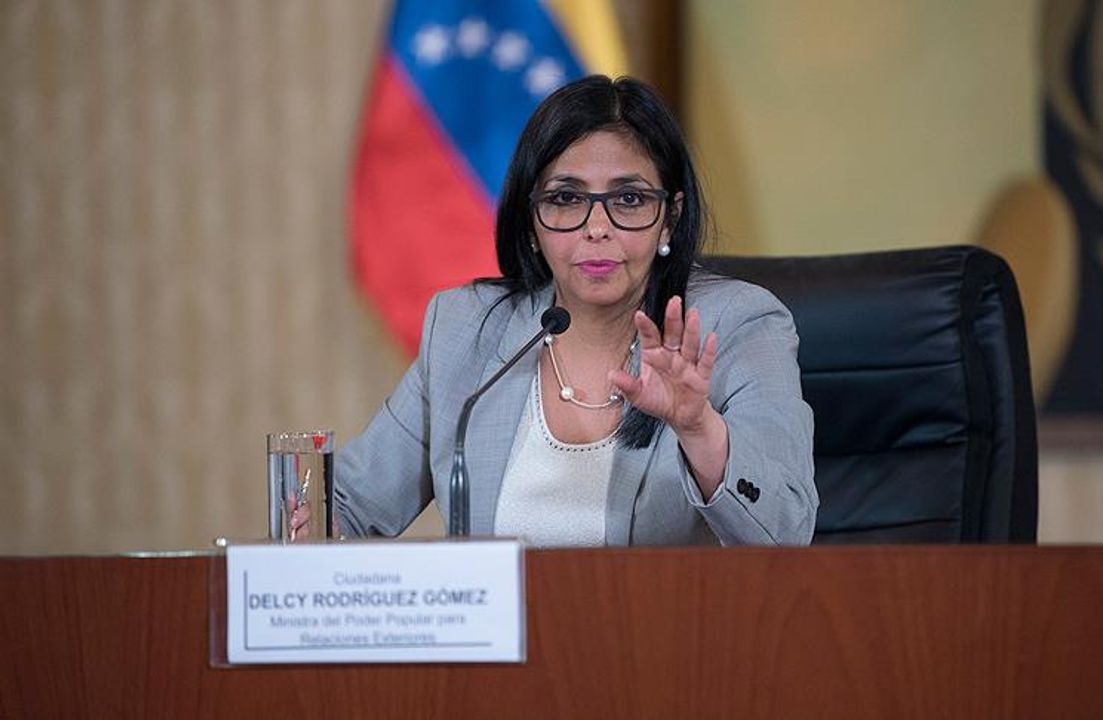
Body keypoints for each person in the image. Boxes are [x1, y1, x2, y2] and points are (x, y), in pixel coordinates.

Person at [314, 75, 816, 546]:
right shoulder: (467, 329)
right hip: (503, 618)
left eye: (629, 198)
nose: (596, 228)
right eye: (566, 198)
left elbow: (786, 534)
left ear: (670, 218)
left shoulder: (737, 326)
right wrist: (305, 525)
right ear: (531, 221)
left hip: (665, 615)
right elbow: (350, 506)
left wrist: (699, 428)